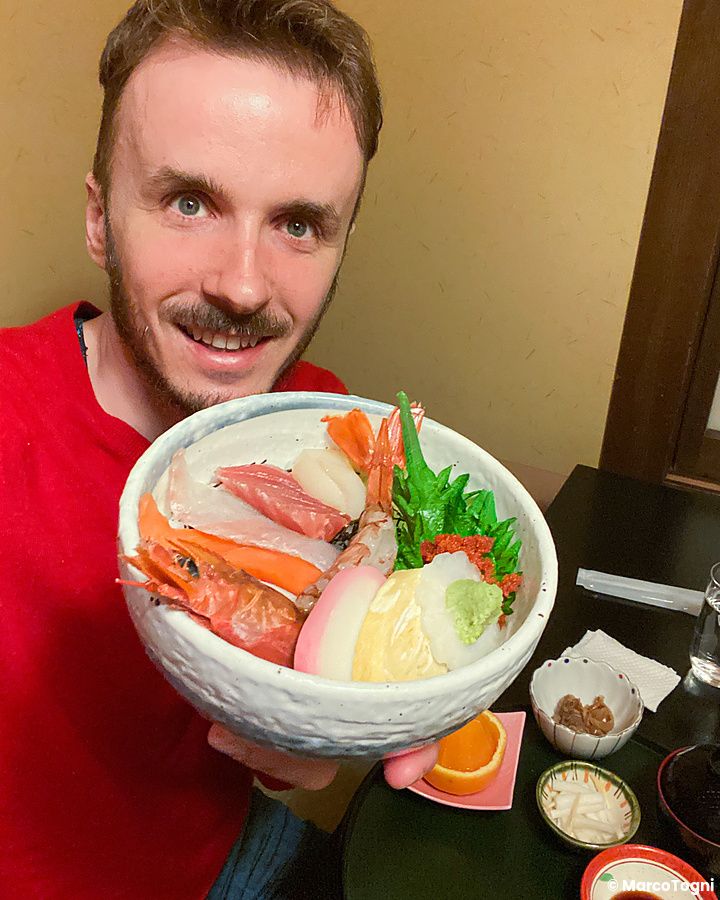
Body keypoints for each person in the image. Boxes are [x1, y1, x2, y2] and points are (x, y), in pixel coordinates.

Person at [0, 1, 437, 897]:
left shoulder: (320, 422)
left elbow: (283, 723)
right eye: (189, 201)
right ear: (98, 219)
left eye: (299, 224)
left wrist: (325, 731)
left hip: (231, 855)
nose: (243, 286)